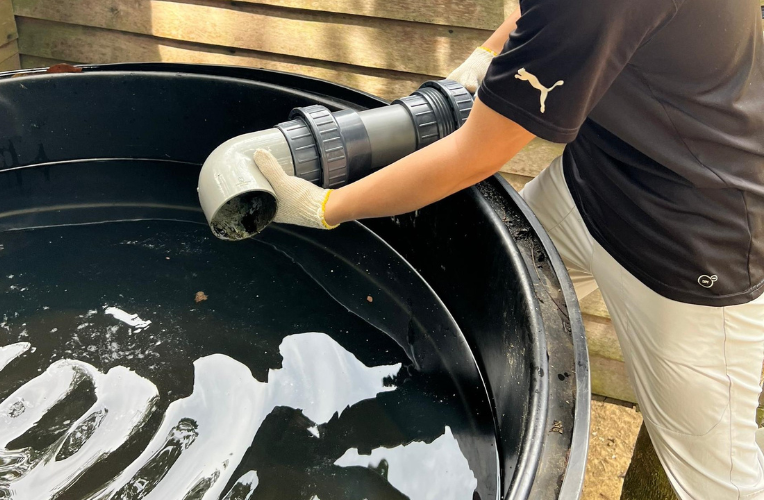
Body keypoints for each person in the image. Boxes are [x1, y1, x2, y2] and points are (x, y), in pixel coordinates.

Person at [252, 1, 764, 498]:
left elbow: (475, 155)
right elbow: (533, 14)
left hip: (693, 242)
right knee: (487, 302)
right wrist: (485, 59)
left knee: (717, 476)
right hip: (592, 179)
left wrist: (326, 206)